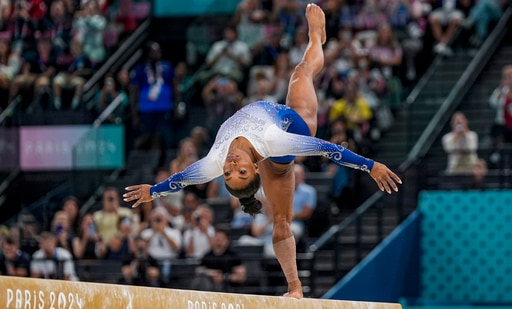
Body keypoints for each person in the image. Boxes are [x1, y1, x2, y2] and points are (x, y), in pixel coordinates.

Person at [124, 3, 401, 298]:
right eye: (240, 172)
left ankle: (315, 38)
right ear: (254, 169)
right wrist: (371, 166)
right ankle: (295, 288)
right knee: (303, 73)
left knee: (298, 71)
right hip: (295, 130)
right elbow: (327, 149)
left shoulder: (214, 162)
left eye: (229, 174)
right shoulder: (274, 141)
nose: (231, 165)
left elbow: (181, 179)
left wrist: (153, 191)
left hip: (277, 119)